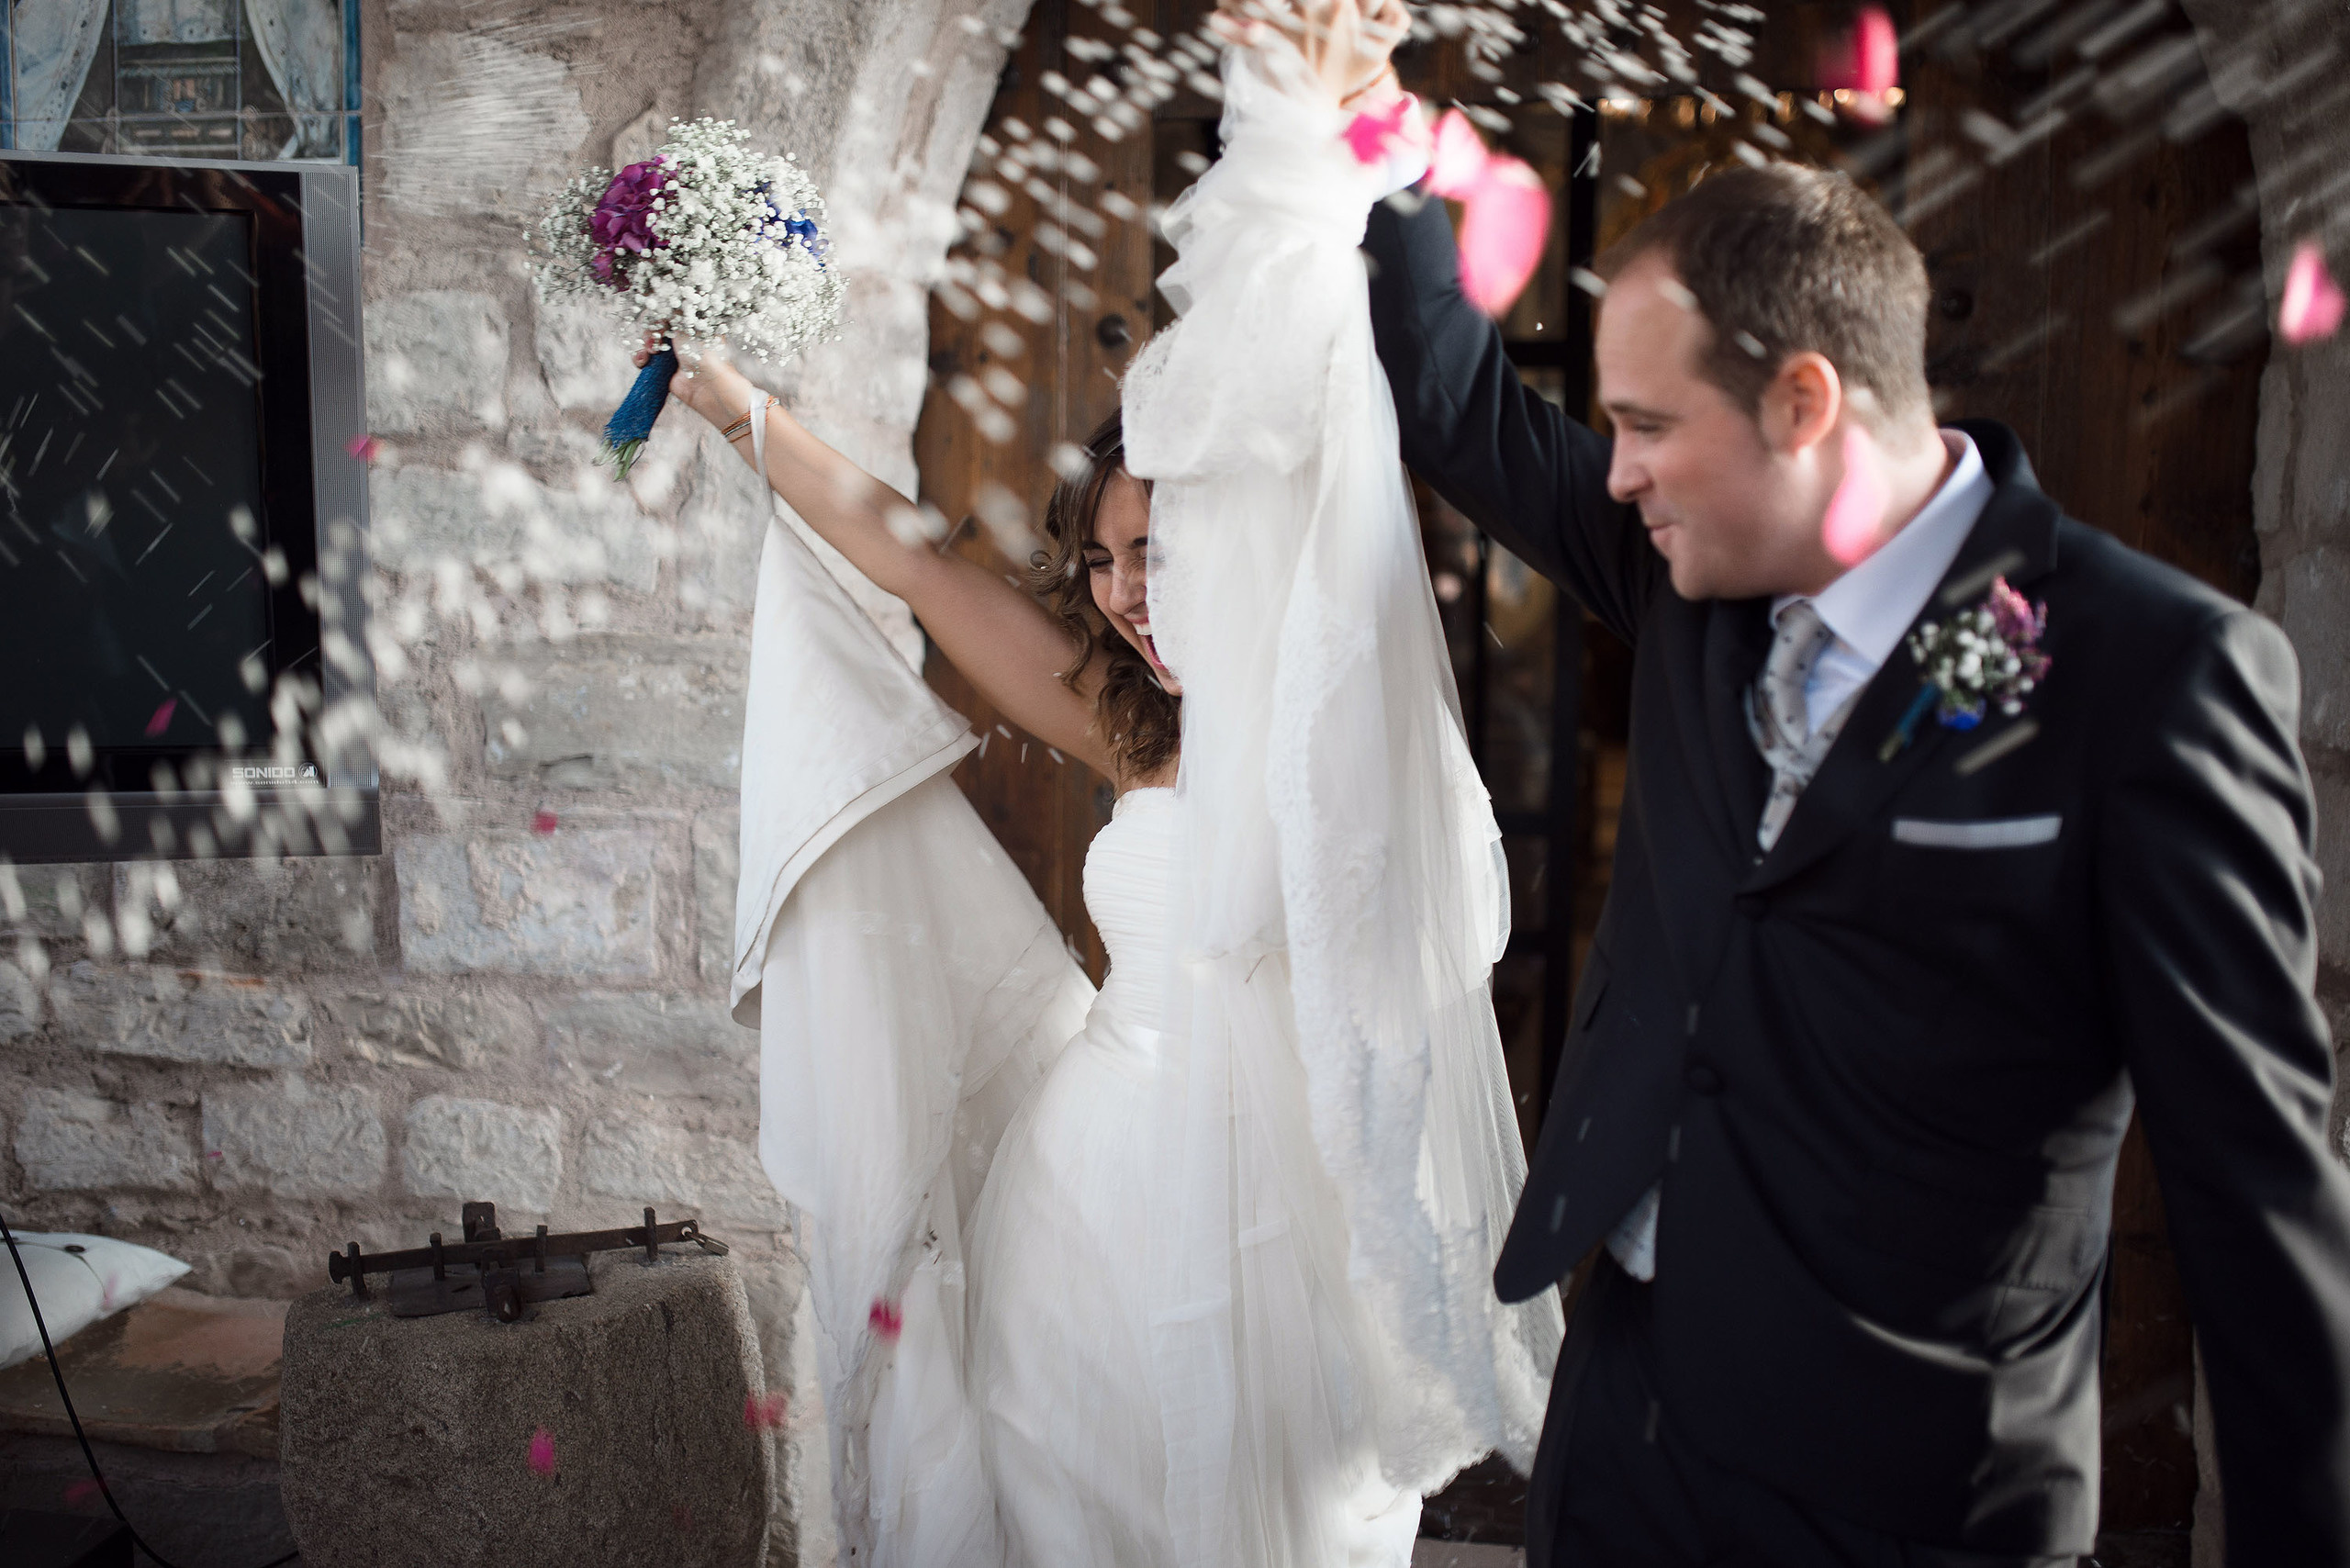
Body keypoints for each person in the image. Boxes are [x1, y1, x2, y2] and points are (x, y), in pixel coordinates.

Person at [1313, 31, 2350, 1566]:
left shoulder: (2150, 678)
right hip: (1623, 1430)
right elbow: (1464, 415)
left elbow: (2260, 1217)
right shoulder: (1691, 589)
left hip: (1913, 1492)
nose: (1618, 474)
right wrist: (1368, 129)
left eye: (1651, 427)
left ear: (1805, 403)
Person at [643, 23, 1557, 1566]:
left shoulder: (1343, 751)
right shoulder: (1128, 728)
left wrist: (1300, 158)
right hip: (1084, 1219)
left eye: (1168, 555)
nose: (1134, 596)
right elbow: (923, 564)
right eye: (1114, 557)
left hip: (1282, 1243)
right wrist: (736, 409)